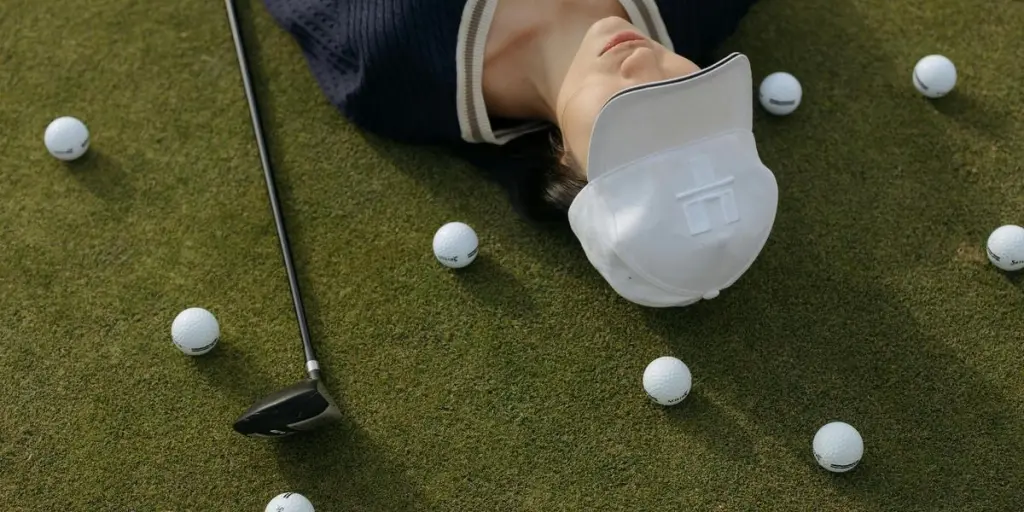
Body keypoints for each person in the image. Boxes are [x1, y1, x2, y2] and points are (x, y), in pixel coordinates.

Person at [261, 0, 780, 308]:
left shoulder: (389, 67)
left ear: (568, 166)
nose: (643, 69)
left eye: (633, 111)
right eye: (691, 97)